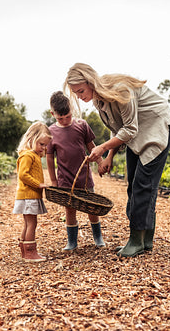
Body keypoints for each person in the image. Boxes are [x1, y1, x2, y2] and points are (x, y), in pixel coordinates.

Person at [64, 63, 170, 257]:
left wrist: (102, 148)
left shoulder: (120, 90)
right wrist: (109, 157)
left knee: (143, 185)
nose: (79, 96)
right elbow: (117, 128)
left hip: (155, 128)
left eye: (81, 90)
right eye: (75, 93)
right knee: (133, 185)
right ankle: (145, 240)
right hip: (136, 135)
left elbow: (129, 129)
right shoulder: (99, 101)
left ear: (91, 82)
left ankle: (136, 241)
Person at [46, 91, 105, 251]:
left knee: (91, 207)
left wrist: (100, 162)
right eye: (60, 118)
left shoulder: (82, 125)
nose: (65, 121)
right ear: (53, 114)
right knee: (70, 209)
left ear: (72, 110)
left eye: (68, 117)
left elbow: (91, 146)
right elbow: (50, 158)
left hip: (84, 177)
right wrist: (53, 181)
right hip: (65, 179)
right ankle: (72, 242)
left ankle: (98, 237)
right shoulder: (51, 132)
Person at [13, 121, 52, 262]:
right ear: (31, 139)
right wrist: (38, 185)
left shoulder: (33, 155)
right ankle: (30, 253)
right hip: (29, 196)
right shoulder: (28, 155)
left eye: (45, 145)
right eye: (41, 144)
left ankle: (25, 252)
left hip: (29, 196)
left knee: (28, 223)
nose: (43, 148)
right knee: (31, 224)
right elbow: (23, 175)